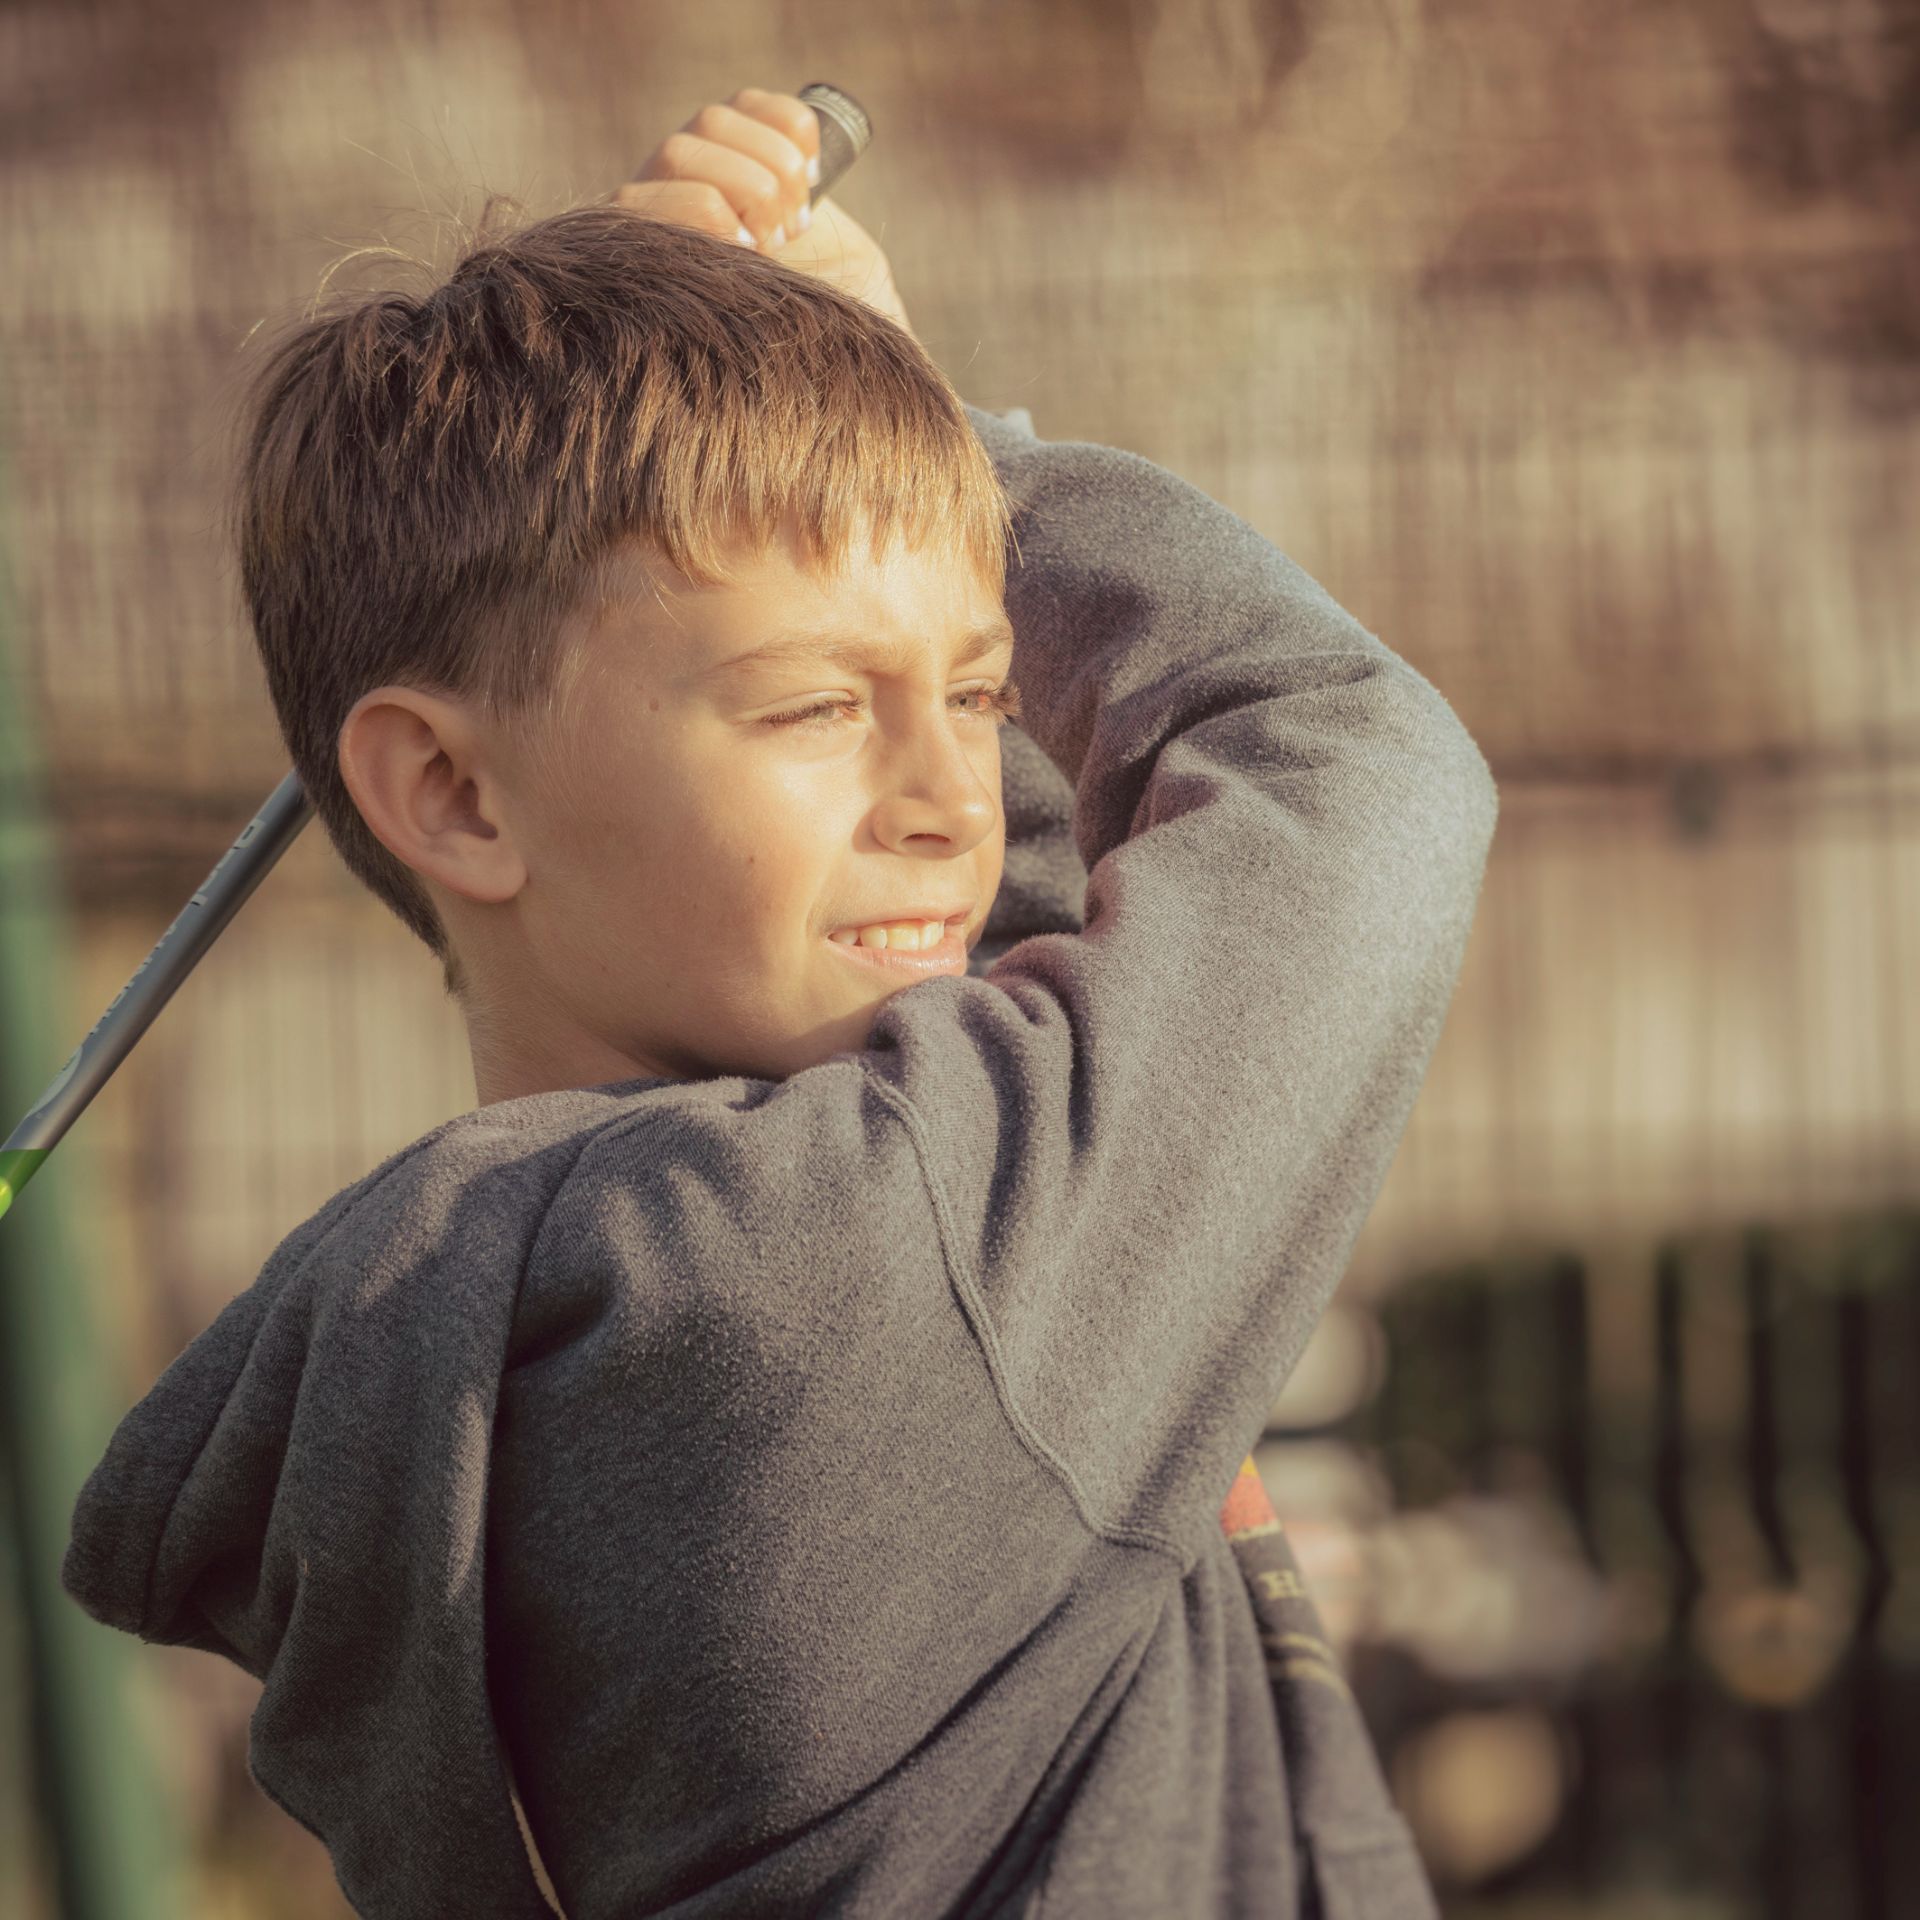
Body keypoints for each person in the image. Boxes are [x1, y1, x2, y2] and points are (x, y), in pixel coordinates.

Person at [60, 84, 1497, 1919]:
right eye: (816, 706)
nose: (952, 796)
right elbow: (1352, 769)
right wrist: (966, 458)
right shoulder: (857, 1274)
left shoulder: (509, 1340)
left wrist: (853, 432)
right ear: (455, 795)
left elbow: (989, 970)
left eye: (978, 697)